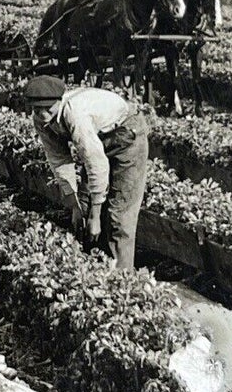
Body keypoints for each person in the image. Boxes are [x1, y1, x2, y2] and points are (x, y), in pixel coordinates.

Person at [22, 74, 150, 270]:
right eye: (37, 110)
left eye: (48, 109)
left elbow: (95, 163)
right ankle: (91, 269)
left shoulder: (75, 114)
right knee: (83, 207)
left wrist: (96, 217)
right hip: (99, 138)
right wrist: (74, 204)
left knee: (119, 216)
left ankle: (122, 279)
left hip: (127, 135)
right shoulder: (41, 121)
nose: (43, 115)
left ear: (59, 100)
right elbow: (59, 161)